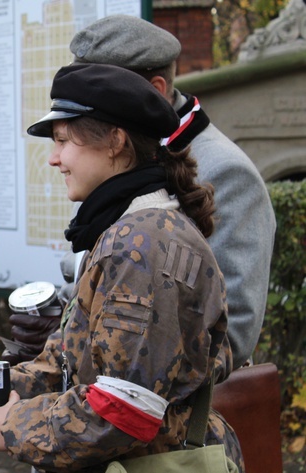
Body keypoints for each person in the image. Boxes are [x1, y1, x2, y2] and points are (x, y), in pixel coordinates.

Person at [0, 64, 245, 473]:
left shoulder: (142, 243)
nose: (53, 157)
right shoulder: (128, 229)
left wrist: (10, 426)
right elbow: (72, 365)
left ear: (116, 141)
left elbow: (124, 410)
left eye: (64, 140)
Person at [66, 15, 276, 369]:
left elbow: (232, 333)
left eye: (98, 97)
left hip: (167, 411)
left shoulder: (226, 172)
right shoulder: (107, 154)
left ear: (157, 90)